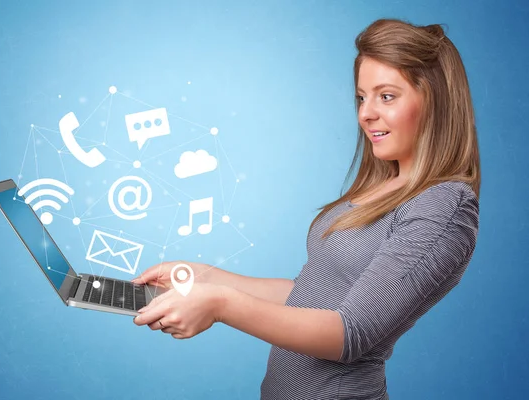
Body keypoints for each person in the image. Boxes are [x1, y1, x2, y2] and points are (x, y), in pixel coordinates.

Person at [132, 18, 480, 400]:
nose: (366, 114)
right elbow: (312, 296)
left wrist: (220, 304)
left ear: (435, 99)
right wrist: (209, 278)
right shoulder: (385, 186)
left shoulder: (444, 206)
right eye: (362, 97)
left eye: (387, 96)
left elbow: (350, 333)